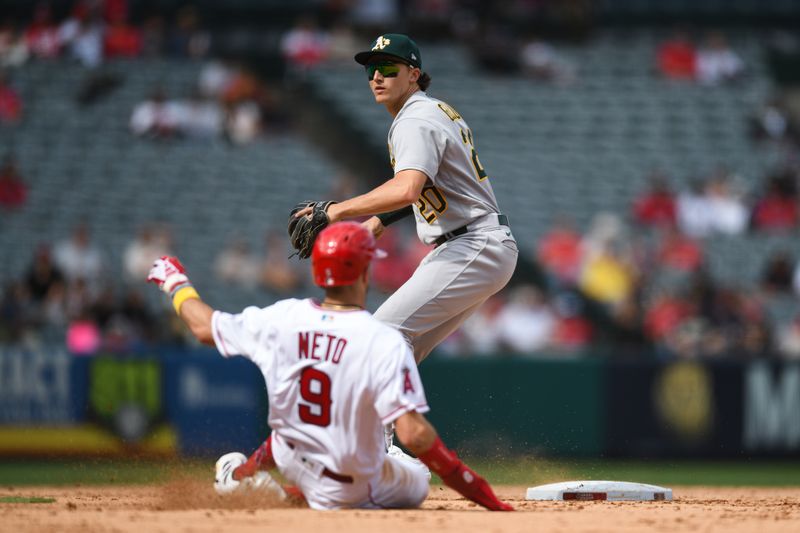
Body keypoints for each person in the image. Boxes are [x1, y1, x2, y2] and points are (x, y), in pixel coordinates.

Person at [146, 222, 512, 511]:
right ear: (366, 273)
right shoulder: (381, 339)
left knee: (298, 423)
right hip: (355, 480)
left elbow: (203, 327)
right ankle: (295, 492)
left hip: (291, 456)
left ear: (319, 273)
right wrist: (485, 496)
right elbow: (416, 435)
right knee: (415, 476)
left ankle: (241, 476)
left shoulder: (282, 317)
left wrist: (175, 281)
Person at [293, 33, 518, 454]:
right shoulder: (427, 113)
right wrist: (378, 221)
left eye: (389, 67)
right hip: (473, 244)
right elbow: (424, 185)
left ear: (413, 74)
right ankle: (378, 448)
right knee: (399, 350)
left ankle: (379, 453)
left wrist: (337, 211)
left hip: (473, 244)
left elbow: (408, 188)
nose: (377, 75)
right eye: (370, 68)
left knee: (380, 336)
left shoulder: (415, 118)